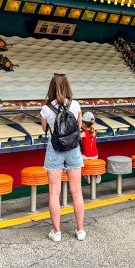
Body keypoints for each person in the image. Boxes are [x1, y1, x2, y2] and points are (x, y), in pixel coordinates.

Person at [40, 73, 86, 242]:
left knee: (54, 192)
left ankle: (57, 232)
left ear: (51, 88)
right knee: (77, 191)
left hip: (55, 149)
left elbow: (44, 129)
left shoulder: (46, 109)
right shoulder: (75, 105)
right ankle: (80, 230)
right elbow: (79, 127)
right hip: (73, 149)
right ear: (67, 86)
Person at [80, 112, 101, 184]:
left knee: (77, 161)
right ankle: (98, 173)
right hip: (95, 156)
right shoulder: (94, 132)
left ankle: (85, 174)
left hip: (87, 156)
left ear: (83, 124)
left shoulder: (83, 133)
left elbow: (76, 139)